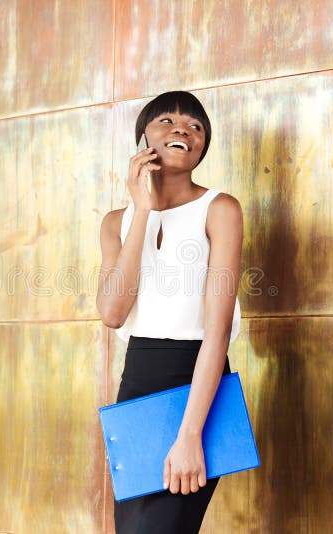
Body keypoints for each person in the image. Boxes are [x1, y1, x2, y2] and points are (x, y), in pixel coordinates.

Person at [96, 90, 243, 533]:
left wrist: (190, 434)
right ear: (144, 138)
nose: (183, 129)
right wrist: (143, 210)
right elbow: (112, 312)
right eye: (168, 121)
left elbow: (216, 334)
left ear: (202, 146)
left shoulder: (220, 209)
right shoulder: (115, 221)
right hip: (137, 382)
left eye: (196, 126)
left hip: (196, 383)